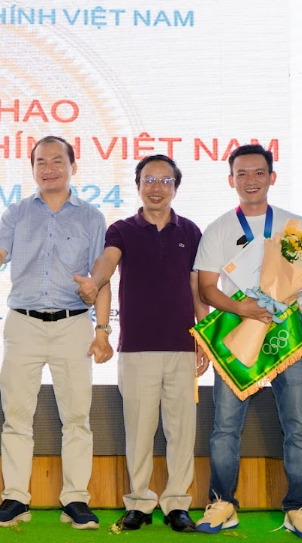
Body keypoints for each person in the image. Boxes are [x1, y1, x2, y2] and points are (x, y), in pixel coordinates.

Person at [193, 144, 302, 540]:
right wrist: (245, 308)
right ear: (231, 180)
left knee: (297, 425)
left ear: (272, 177)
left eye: (258, 172)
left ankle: (297, 507)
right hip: (239, 335)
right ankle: (223, 503)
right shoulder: (220, 228)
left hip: (287, 337)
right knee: (224, 427)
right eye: (242, 173)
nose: (250, 180)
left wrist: (299, 271)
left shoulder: (293, 225)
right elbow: (206, 288)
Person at [0, 135, 111, 530]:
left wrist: (102, 330)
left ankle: (76, 499)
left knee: (77, 417)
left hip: (73, 324)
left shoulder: (91, 218)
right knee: (16, 416)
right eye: (40, 162)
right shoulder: (17, 212)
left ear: (73, 166)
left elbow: (101, 277)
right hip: (23, 324)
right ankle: (16, 498)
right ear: (32, 168)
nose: (48, 168)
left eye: (57, 161)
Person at [74, 154, 209, 533]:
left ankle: (177, 505)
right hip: (136, 349)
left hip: (182, 346)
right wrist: (94, 280)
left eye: (165, 180)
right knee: (139, 430)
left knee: (182, 431)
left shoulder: (190, 231)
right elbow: (107, 262)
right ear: (137, 186)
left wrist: (205, 336)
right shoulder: (122, 229)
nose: (156, 187)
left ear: (175, 188)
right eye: (149, 179)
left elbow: (197, 288)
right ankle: (139, 503)